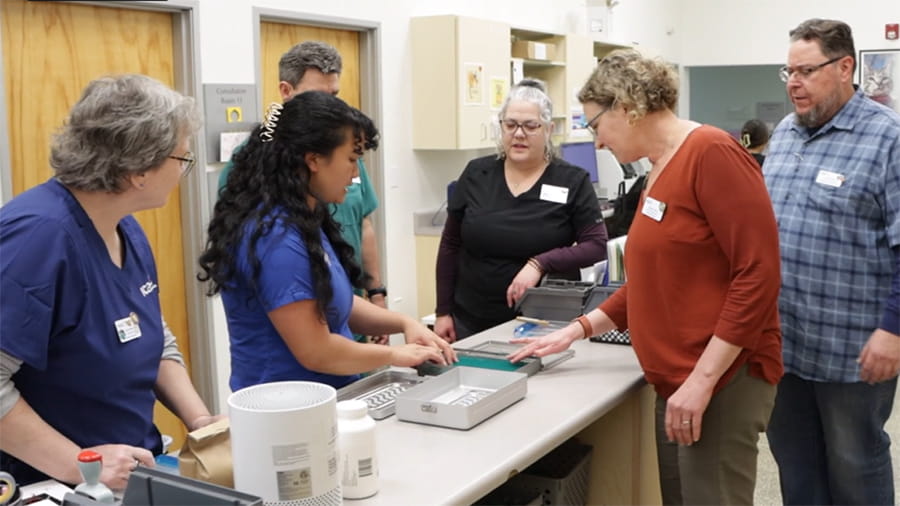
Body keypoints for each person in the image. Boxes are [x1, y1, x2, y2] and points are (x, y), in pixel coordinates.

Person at [508, 50, 783, 505]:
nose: (596, 143)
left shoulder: (711, 153)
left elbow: (758, 274)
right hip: (677, 379)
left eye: (596, 126)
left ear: (626, 107)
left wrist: (701, 381)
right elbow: (656, 280)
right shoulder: (659, 167)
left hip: (721, 379)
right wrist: (577, 330)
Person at [0, 74, 223, 489]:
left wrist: (201, 421)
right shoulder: (37, 236)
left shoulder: (126, 230)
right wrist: (79, 463)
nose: (183, 172)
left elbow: (151, 335)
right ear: (139, 170)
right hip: (51, 484)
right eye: (182, 160)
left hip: (128, 471)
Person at [198, 91, 456, 392]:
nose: (356, 172)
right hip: (287, 409)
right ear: (314, 160)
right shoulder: (274, 239)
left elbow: (335, 299)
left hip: (330, 398)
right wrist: (395, 355)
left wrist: (402, 322)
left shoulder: (303, 218)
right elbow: (316, 351)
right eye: (351, 159)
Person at [763, 18, 900, 506]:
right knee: (795, 466)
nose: (794, 83)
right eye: (788, 72)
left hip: (853, 351)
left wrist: (894, 330)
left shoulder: (888, 139)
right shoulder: (783, 134)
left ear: (845, 67)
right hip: (785, 344)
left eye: (806, 70)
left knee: (855, 466)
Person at [217, 40, 388, 344]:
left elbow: (363, 222)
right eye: (319, 96)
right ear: (286, 91)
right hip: (297, 324)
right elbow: (315, 349)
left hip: (347, 309)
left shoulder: (341, 154)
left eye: (335, 95)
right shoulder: (253, 164)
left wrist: (376, 293)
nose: (333, 108)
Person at [434, 79, 608, 342]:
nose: (518, 134)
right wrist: (442, 312)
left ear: (548, 129)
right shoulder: (476, 173)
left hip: (542, 323)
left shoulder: (571, 180)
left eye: (530, 126)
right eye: (511, 124)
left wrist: (539, 263)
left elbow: (596, 245)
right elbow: (450, 244)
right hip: (471, 318)